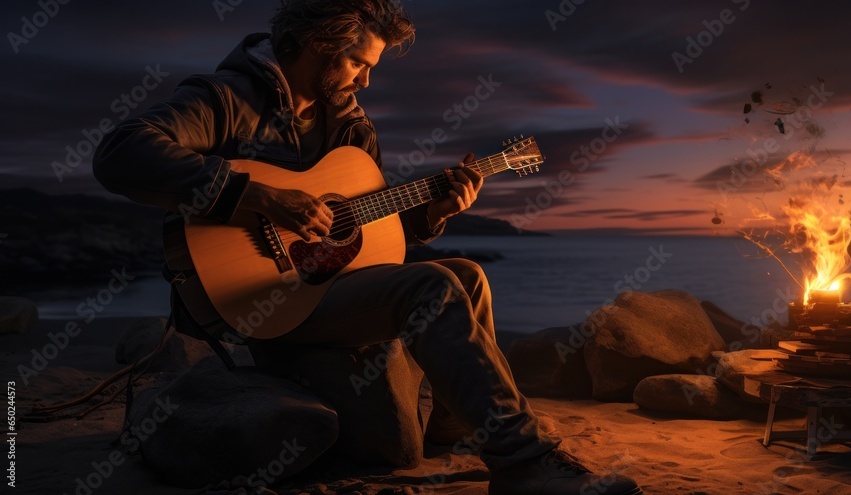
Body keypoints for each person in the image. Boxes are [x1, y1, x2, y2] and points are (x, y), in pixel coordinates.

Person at [92, 1, 642, 494]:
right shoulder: (227, 99)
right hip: (248, 298)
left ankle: (459, 427)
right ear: (316, 45)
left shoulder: (352, 128)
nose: (367, 81)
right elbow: (121, 152)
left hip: (318, 289)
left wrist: (432, 213)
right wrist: (260, 197)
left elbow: (363, 233)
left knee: (468, 275)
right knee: (432, 285)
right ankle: (524, 466)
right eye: (359, 63)